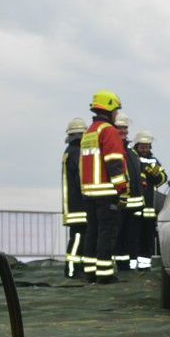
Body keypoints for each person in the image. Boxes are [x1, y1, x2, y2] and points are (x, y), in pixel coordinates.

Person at [79, 90, 128, 283]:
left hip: (89, 193)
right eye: (115, 110)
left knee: (92, 232)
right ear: (108, 109)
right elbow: (114, 161)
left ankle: (90, 272)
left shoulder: (89, 132)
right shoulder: (108, 130)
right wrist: (122, 189)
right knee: (107, 234)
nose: (116, 114)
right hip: (107, 192)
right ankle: (105, 275)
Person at [112, 113, 145, 272]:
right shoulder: (114, 149)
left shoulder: (130, 152)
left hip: (132, 205)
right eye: (120, 127)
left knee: (127, 238)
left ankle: (125, 267)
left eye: (125, 127)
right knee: (116, 237)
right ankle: (116, 266)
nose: (123, 130)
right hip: (119, 202)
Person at [133, 129, 167, 270]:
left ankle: (145, 266)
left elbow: (162, 178)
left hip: (149, 209)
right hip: (134, 208)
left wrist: (156, 175)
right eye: (142, 146)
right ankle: (130, 267)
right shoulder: (132, 158)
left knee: (147, 240)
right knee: (133, 238)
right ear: (137, 146)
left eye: (147, 146)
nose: (145, 149)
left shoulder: (153, 160)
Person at [61, 118, 89, 278]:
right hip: (79, 205)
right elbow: (81, 179)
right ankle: (72, 270)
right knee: (78, 237)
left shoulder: (69, 151)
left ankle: (76, 269)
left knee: (79, 237)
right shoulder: (76, 152)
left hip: (73, 205)